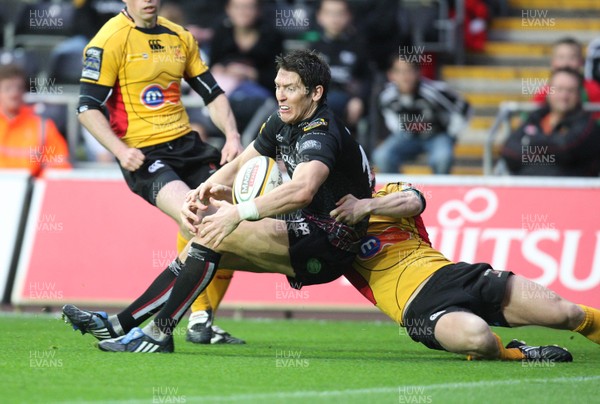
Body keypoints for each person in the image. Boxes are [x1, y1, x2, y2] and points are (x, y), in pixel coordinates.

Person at [62, 49, 373, 353]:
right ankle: (125, 326)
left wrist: (237, 213)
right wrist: (202, 191)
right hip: (304, 229)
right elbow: (238, 165)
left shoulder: (321, 132)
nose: (280, 95)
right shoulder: (282, 121)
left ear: (315, 92)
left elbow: (303, 190)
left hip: (332, 245)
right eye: (278, 86)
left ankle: (153, 333)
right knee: (205, 239)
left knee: (212, 234)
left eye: (289, 88)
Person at [76, 0, 245, 343]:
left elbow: (212, 94)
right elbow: (86, 107)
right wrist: (120, 150)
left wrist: (232, 135)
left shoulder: (179, 37)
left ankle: (189, 322)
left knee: (232, 222)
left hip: (188, 147)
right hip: (145, 155)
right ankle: (154, 327)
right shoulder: (108, 40)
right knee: (199, 219)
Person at [332, 181, 600, 361]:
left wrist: (366, 206)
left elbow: (414, 201)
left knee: (568, 313)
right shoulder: (326, 230)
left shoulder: (387, 192)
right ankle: (519, 354)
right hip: (417, 308)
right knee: (478, 337)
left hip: (455, 276)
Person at [371, 58, 471, 174]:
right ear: (391, 75)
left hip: (437, 136)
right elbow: (388, 114)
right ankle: (399, 189)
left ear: (418, 73)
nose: (405, 77)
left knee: (442, 158)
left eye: (409, 71)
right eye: (399, 72)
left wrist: (452, 132)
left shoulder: (434, 91)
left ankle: (438, 191)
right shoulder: (386, 96)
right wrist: (398, 129)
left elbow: (464, 106)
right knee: (381, 156)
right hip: (407, 136)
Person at [501, 67, 600, 177]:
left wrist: (529, 144)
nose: (564, 96)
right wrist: (548, 151)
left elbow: (565, 150)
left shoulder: (588, 125)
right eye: (559, 89)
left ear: (579, 95)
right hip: (529, 190)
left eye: (570, 90)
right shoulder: (535, 118)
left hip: (572, 191)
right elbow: (509, 150)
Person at [0, 64, 71, 176]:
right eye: (8, 88)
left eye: (19, 88)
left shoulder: (42, 127)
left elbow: (59, 165)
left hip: (30, 189)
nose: (14, 94)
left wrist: (37, 186)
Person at [309, 0, 370, 130]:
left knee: (329, 102)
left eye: (340, 13)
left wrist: (359, 99)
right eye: (330, 13)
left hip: (345, 98)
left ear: (349, 16)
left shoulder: (358, 46)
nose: (335, 19)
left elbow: (367, 79)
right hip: (319, 97)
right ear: (319, 16)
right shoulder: (313, 47)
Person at [532, 37, 600, 105]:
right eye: (561, 57)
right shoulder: (545, 91)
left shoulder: (592, 89)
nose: (566, 63)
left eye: (572, 57)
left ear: (581, 61)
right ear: (553, 62)